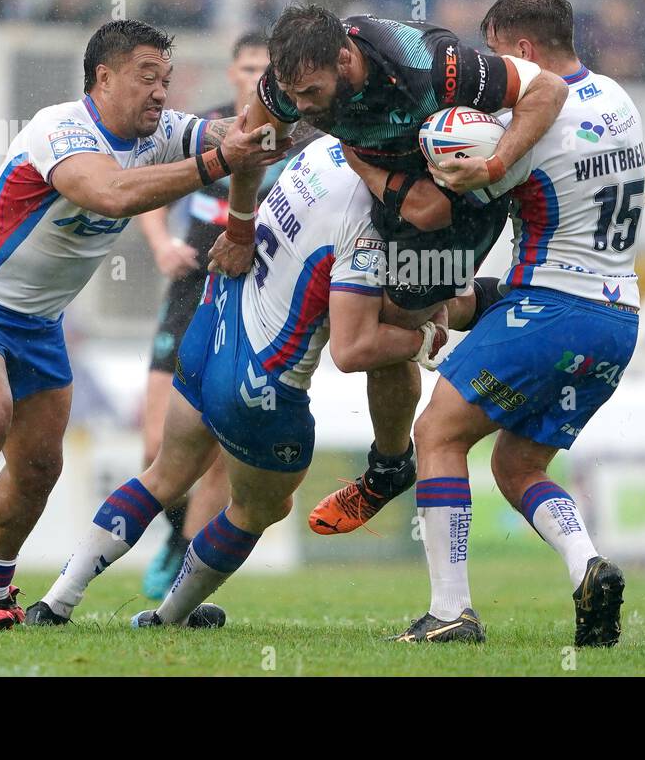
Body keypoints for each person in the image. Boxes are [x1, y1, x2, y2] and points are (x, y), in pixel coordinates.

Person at [0, 19, 289, 632]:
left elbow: (236, 134)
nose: (161, 93)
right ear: (104, 77)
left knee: (40, 467)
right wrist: (223, 158)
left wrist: (282, 115)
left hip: (39, 323)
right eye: (148, 78)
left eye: (167, 80)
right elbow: (111, 194)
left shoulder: (164, 132)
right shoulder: (59, 128)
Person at [25, 136, 448, 627]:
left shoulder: (319, 150)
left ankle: (56, 600)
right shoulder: (367, 221)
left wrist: (241, 227)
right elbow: (352, 349)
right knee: (261, 506)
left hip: (212, 324)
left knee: (163, 474)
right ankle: (169, 617)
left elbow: (244, 158)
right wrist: (423, 338)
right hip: (261, 382)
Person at [208, 4, 568, 536]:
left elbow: (550, 91)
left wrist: (491, 167)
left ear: (345, 58)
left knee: (387, 324)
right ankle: (399, 449)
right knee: (357, 344)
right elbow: (252, 148)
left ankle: (388, 466)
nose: (301, 107)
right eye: (294, 95)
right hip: (391, 184)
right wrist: (240, 229)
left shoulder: (435, 67)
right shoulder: (288, 83)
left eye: (311, 94)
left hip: (459, 201)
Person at [393, 0, 641, 645]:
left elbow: (445, 201)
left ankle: (451, 612)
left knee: (437, 435)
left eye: (497, 57)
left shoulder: (523, 125)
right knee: (517, 467)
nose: (491, 76)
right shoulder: (617, 98)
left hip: (551, 310)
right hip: (617, 322)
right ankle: (587, 566)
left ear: (525, 50)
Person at [136, 30, 318, 599]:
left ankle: (184, 575)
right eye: (248, 66)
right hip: (193, 285)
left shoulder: (305, 139)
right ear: (234, 71)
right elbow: (152, 190)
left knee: (216, 454)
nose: (256, 75)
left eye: (267, 65)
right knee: (153, 447)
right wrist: (161, 244)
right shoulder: (210, 126)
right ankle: (173, 537)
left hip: (256, 294)